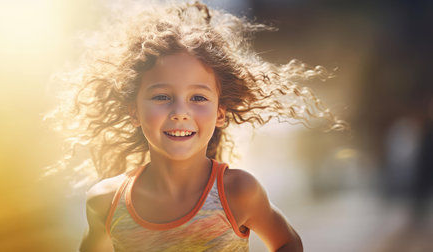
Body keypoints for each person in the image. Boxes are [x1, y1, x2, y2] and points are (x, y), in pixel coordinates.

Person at [48, 1, 346, 251]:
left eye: (198, 97)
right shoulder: (105, 203)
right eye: (162, 96)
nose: (180, 112)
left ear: (219, 113)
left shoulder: (239, 192)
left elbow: (287, 244)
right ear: (134, 112)